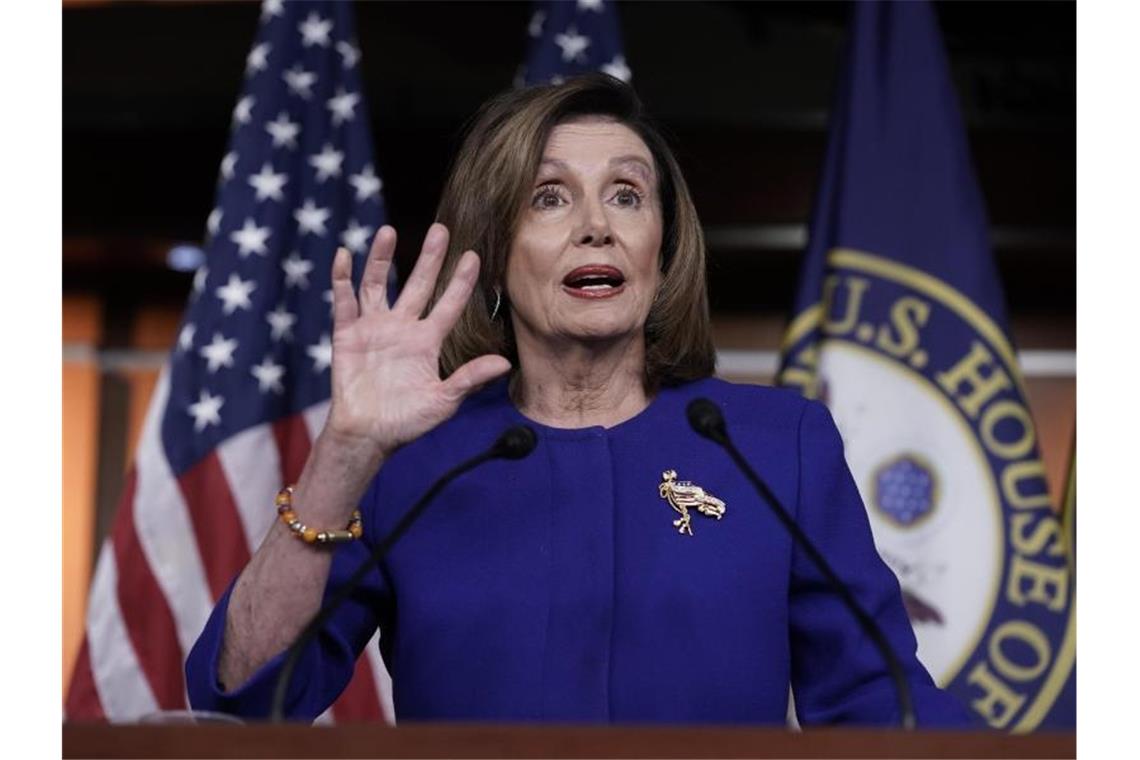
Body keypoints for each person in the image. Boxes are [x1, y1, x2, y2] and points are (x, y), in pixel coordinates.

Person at [186, 73, 972, 726]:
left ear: (661, 251)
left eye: (627, 196)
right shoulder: (412, 463)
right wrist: (347, 450)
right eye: (549, 198)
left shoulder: (772, 446)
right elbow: (252, 696)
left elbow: (882, 705)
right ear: (493, 255)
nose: (596, 226)